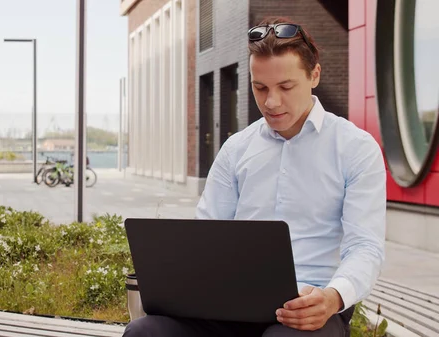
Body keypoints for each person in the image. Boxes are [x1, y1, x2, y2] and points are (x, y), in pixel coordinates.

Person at [123, 16, 386, 337]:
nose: (271, 102)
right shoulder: (237, 148)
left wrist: (333, 298)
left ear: (314, 75)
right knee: (146, 332)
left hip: (310, 307)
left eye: (286, 87)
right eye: (259, 87)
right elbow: (206, 234)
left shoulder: (355, 148)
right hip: (228, 303)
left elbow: (366, 247)